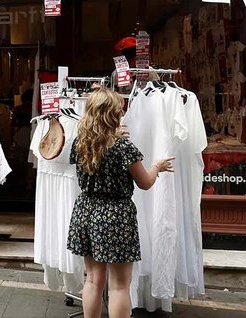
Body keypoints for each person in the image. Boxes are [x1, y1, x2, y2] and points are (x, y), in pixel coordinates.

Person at [66, 88, 174, 318]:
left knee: (93, 280)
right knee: (119, 285)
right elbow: (145, 182)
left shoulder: (80, 143)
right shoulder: (123, 147)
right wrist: (157, 167)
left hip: (86, 211)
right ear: (112, 114)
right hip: (116, 216)